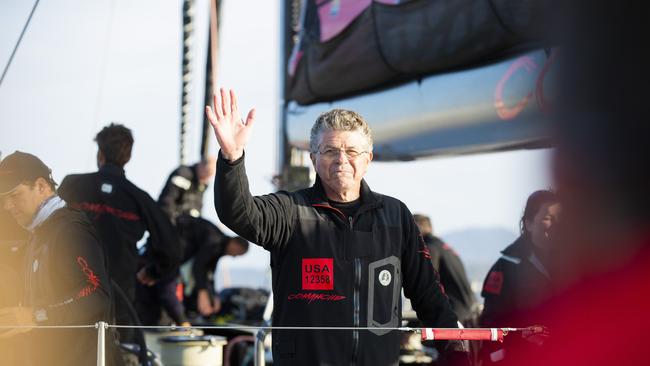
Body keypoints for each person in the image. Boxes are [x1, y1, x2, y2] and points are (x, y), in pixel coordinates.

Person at [207, 88, 468, 365]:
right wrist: (232, 159)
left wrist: (455, 348)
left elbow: (427, 291)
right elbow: (238, 213)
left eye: (352, 151)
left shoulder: (395, 215)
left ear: (368, 159)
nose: (342, 160)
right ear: (313, 159)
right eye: (330, 150)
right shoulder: (290, 211)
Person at [0, 151, 122, 366]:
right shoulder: (37, 234)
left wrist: (36, 316)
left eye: (15, 195)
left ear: (41, 186)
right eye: (4, 198)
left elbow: (98, 293)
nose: (7, 206)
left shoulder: (70, 230)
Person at [58, 123, 180, 336]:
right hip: (118, 297)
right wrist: (153, 271)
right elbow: (171, 246)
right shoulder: (139, 198)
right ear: (128, 157)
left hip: (69, 292)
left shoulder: (72, 185)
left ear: (100, 154)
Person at [478, 190, 559, 364]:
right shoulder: (507, 266)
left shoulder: (576, 263)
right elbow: (491, 323)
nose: (556, 225)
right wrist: (521, 337)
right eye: (548, 218)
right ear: (529, 223)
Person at [136, 227, 249, 325]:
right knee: (162, 291)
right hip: (167, 255)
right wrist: (202, 292)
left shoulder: (218, 247)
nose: (234, 257)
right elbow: (199, 266)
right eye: (237, 254)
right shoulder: (214, 241)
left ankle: (180, 318)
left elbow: (209, 274)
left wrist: (213, 296)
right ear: (235, 244)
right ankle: (180, 319)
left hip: (171, 259)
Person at [413, 214, 478, 326]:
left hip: (452, 316)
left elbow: (428, 286)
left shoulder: (430, 248)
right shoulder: (443, 246)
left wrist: (412, 326)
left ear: (417, 228)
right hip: (468, 313)